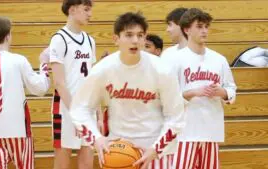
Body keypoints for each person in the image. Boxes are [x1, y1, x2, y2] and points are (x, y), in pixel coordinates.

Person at [69, 12, 186, 169]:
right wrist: (96, 138)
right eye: (129, 35)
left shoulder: (162, 70)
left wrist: (156, 148)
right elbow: (79, 108)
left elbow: (175, 116)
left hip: (155, 151)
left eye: (140, 35)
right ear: (116, 39)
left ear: (145, 39)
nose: (135, 40)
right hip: (117, 150)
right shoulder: (103, 69)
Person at [0, 16, 50, 169]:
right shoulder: (19, 61)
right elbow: (40, 88)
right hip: (20, 133)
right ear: (8, 36)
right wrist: (44, 64)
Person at [170, 8, 237, 169]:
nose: (204, 30)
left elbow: (231, 89)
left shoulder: (219, 59)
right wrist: (193, 92)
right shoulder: (175, 59)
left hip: (211, 130)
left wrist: (223, 92)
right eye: (199, 26)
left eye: (206, 26)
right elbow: (167, 97)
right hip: (184, 132)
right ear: (187, 29)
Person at [45, 0, 97, 168]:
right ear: (73, 10)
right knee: (63, 158)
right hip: (65, 109)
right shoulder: (59, 39)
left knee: (87, 158)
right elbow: (59, 83)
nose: (90, 14)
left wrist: (97, 111)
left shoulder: (90, 41)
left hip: (87, 108)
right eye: (86, 9)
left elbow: (93, 79)